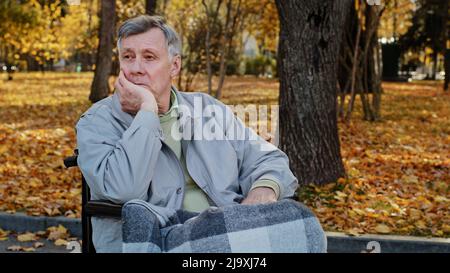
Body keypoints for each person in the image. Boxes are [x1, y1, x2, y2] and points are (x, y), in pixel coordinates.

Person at [76, 15, 320, 253]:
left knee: (305, 223)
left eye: (149, 57)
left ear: (175, 66)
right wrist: (147, 112)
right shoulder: (98, 122)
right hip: (158, 235)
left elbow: (268, 158)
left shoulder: (208, 109)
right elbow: (123, 190)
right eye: (128, 57)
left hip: (229, 229)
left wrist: (263, 191)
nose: (136, 68)